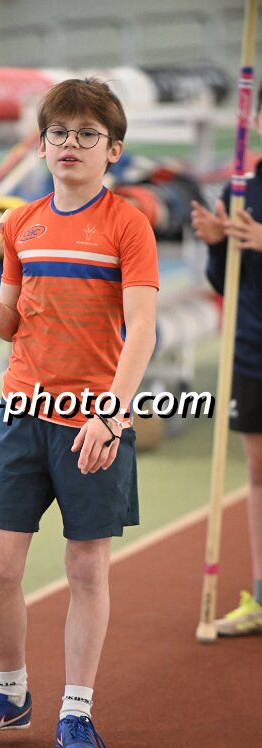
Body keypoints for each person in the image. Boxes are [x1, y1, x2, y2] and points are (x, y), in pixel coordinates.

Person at [0, 78, 159, 748]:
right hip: (20, 413)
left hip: (92, 421)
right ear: (40, 145)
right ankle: (8, 693)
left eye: (87, 134)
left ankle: (77, 712)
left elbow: (143, 330)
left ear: (112, 150)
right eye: (59, 133)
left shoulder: (127, 224)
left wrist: (111, 414)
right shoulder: (19, 223)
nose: (71, 143)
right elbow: (12, 324)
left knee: (85, 569)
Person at [191, 91, 262, 636]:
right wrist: (219, 245)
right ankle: (261, 593)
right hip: (251, 350)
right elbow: (226, 284)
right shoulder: (243, 190)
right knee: (257, 470)